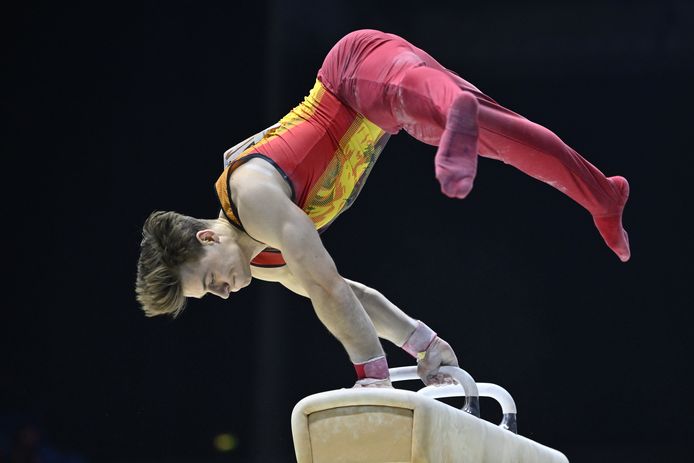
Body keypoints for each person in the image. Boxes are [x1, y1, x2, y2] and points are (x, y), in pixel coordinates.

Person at [135, 29, 630, 388]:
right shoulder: (263, 261)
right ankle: (603, 196)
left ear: (208, 237)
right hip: (384, 118)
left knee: (431, 97)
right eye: (210, 295)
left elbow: (326, 285)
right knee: (505, 138)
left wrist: (371, 373)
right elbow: (351, 295)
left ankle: (452, 107)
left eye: (208, 281)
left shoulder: (252, 195)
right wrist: (422, 344)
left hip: (354, 74)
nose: (222, 292)